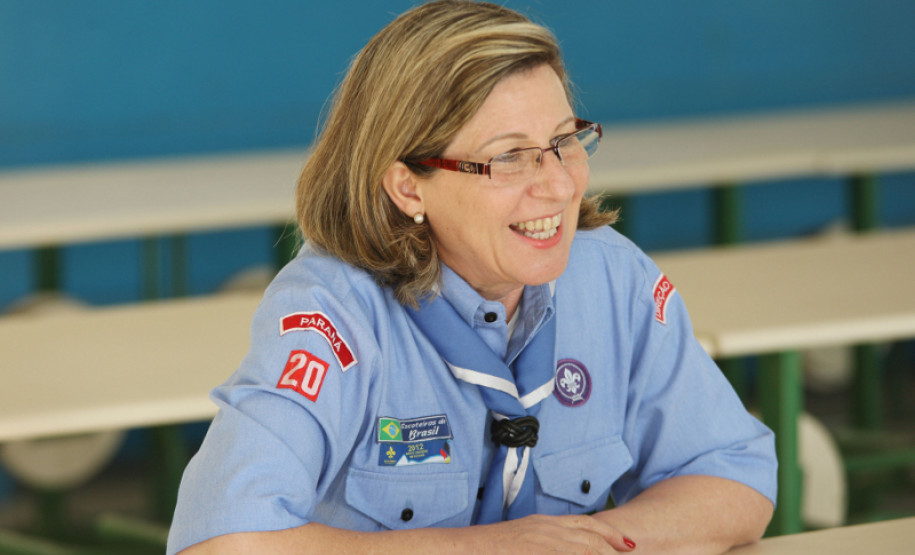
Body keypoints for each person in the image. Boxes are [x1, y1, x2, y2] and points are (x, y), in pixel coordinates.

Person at [167, 1, 777, 553]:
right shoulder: (333, 314)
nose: (560, 184)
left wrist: (583, 545)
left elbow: (735, 477)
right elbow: (222, 542)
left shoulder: (613, 279)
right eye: (509, 157)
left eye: (565, 140)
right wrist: (486, 550)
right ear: (409, 186)